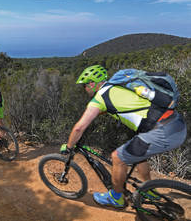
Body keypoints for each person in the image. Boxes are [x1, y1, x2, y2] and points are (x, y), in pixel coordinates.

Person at [60, 65, 187, 208]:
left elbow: (78, 128)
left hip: (163, 132)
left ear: (92, 84)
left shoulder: (100, 98)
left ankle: (116, 198)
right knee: (138, 155)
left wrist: (69, 146)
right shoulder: (120, 85)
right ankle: (149, 190)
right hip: (176, 124)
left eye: (85, 86)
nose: (85, 89)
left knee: (118, 157)